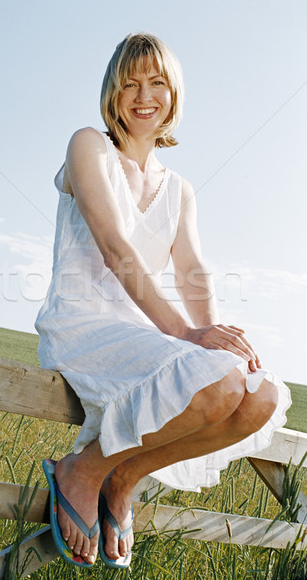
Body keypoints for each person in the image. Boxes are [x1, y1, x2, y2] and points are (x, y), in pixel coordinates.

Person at [35, 32, 291, 569]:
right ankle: (82, 470)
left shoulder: (179, 189)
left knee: (258, 393)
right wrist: (186, 336)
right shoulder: (89, 146)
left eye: (155, 82)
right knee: (215, 380)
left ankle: (122, 477)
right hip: (84, 325)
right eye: (129, 83)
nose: (142, 95)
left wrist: (220, 341)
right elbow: (114, 247)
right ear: (112, 92)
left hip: (142, 333)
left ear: (173, 93)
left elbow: (194, 272)